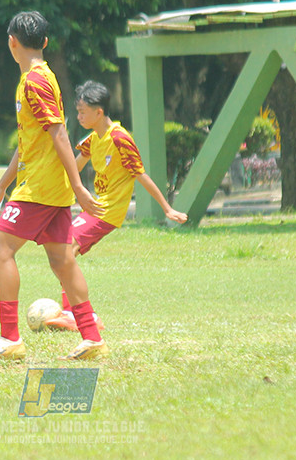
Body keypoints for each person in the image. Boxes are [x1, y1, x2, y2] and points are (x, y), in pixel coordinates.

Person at [0, 11, 109, 362]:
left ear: (11, 42)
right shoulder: (38, 78)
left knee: (0, 251)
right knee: (63, 262)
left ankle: (10, 338)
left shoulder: (34, 81)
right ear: (45, 43)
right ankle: (92, 338)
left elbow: (58, 133)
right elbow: (30, 141)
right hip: (47, 186)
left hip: (41, 188)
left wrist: (78, 187)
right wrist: (3, 184)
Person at [44, 79, 188, 331]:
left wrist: (167, 208)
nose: (77, 116)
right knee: (64, 250)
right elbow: (73, 170)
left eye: (82, 112)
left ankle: (77, 314)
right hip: (96, 206)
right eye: (77, 111)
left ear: (99, 112)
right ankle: (78, 314)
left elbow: (141, 175)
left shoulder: (120, 138)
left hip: (109, 210)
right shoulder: (93, 140)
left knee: (67, 249)